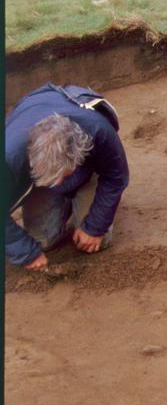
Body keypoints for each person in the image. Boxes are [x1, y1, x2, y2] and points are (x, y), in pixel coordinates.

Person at [6, 83, 129, 271]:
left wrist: (95, 227)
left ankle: (80, 191)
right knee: (41, 242)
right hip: (38, 177)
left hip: (88, 170)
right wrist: (26, 252)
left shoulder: (99, 132)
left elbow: (115, 176)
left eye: (61, 176)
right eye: (51, 177)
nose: (57, 182)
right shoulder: (9, 156)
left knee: (97, 241)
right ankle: (61, 199)